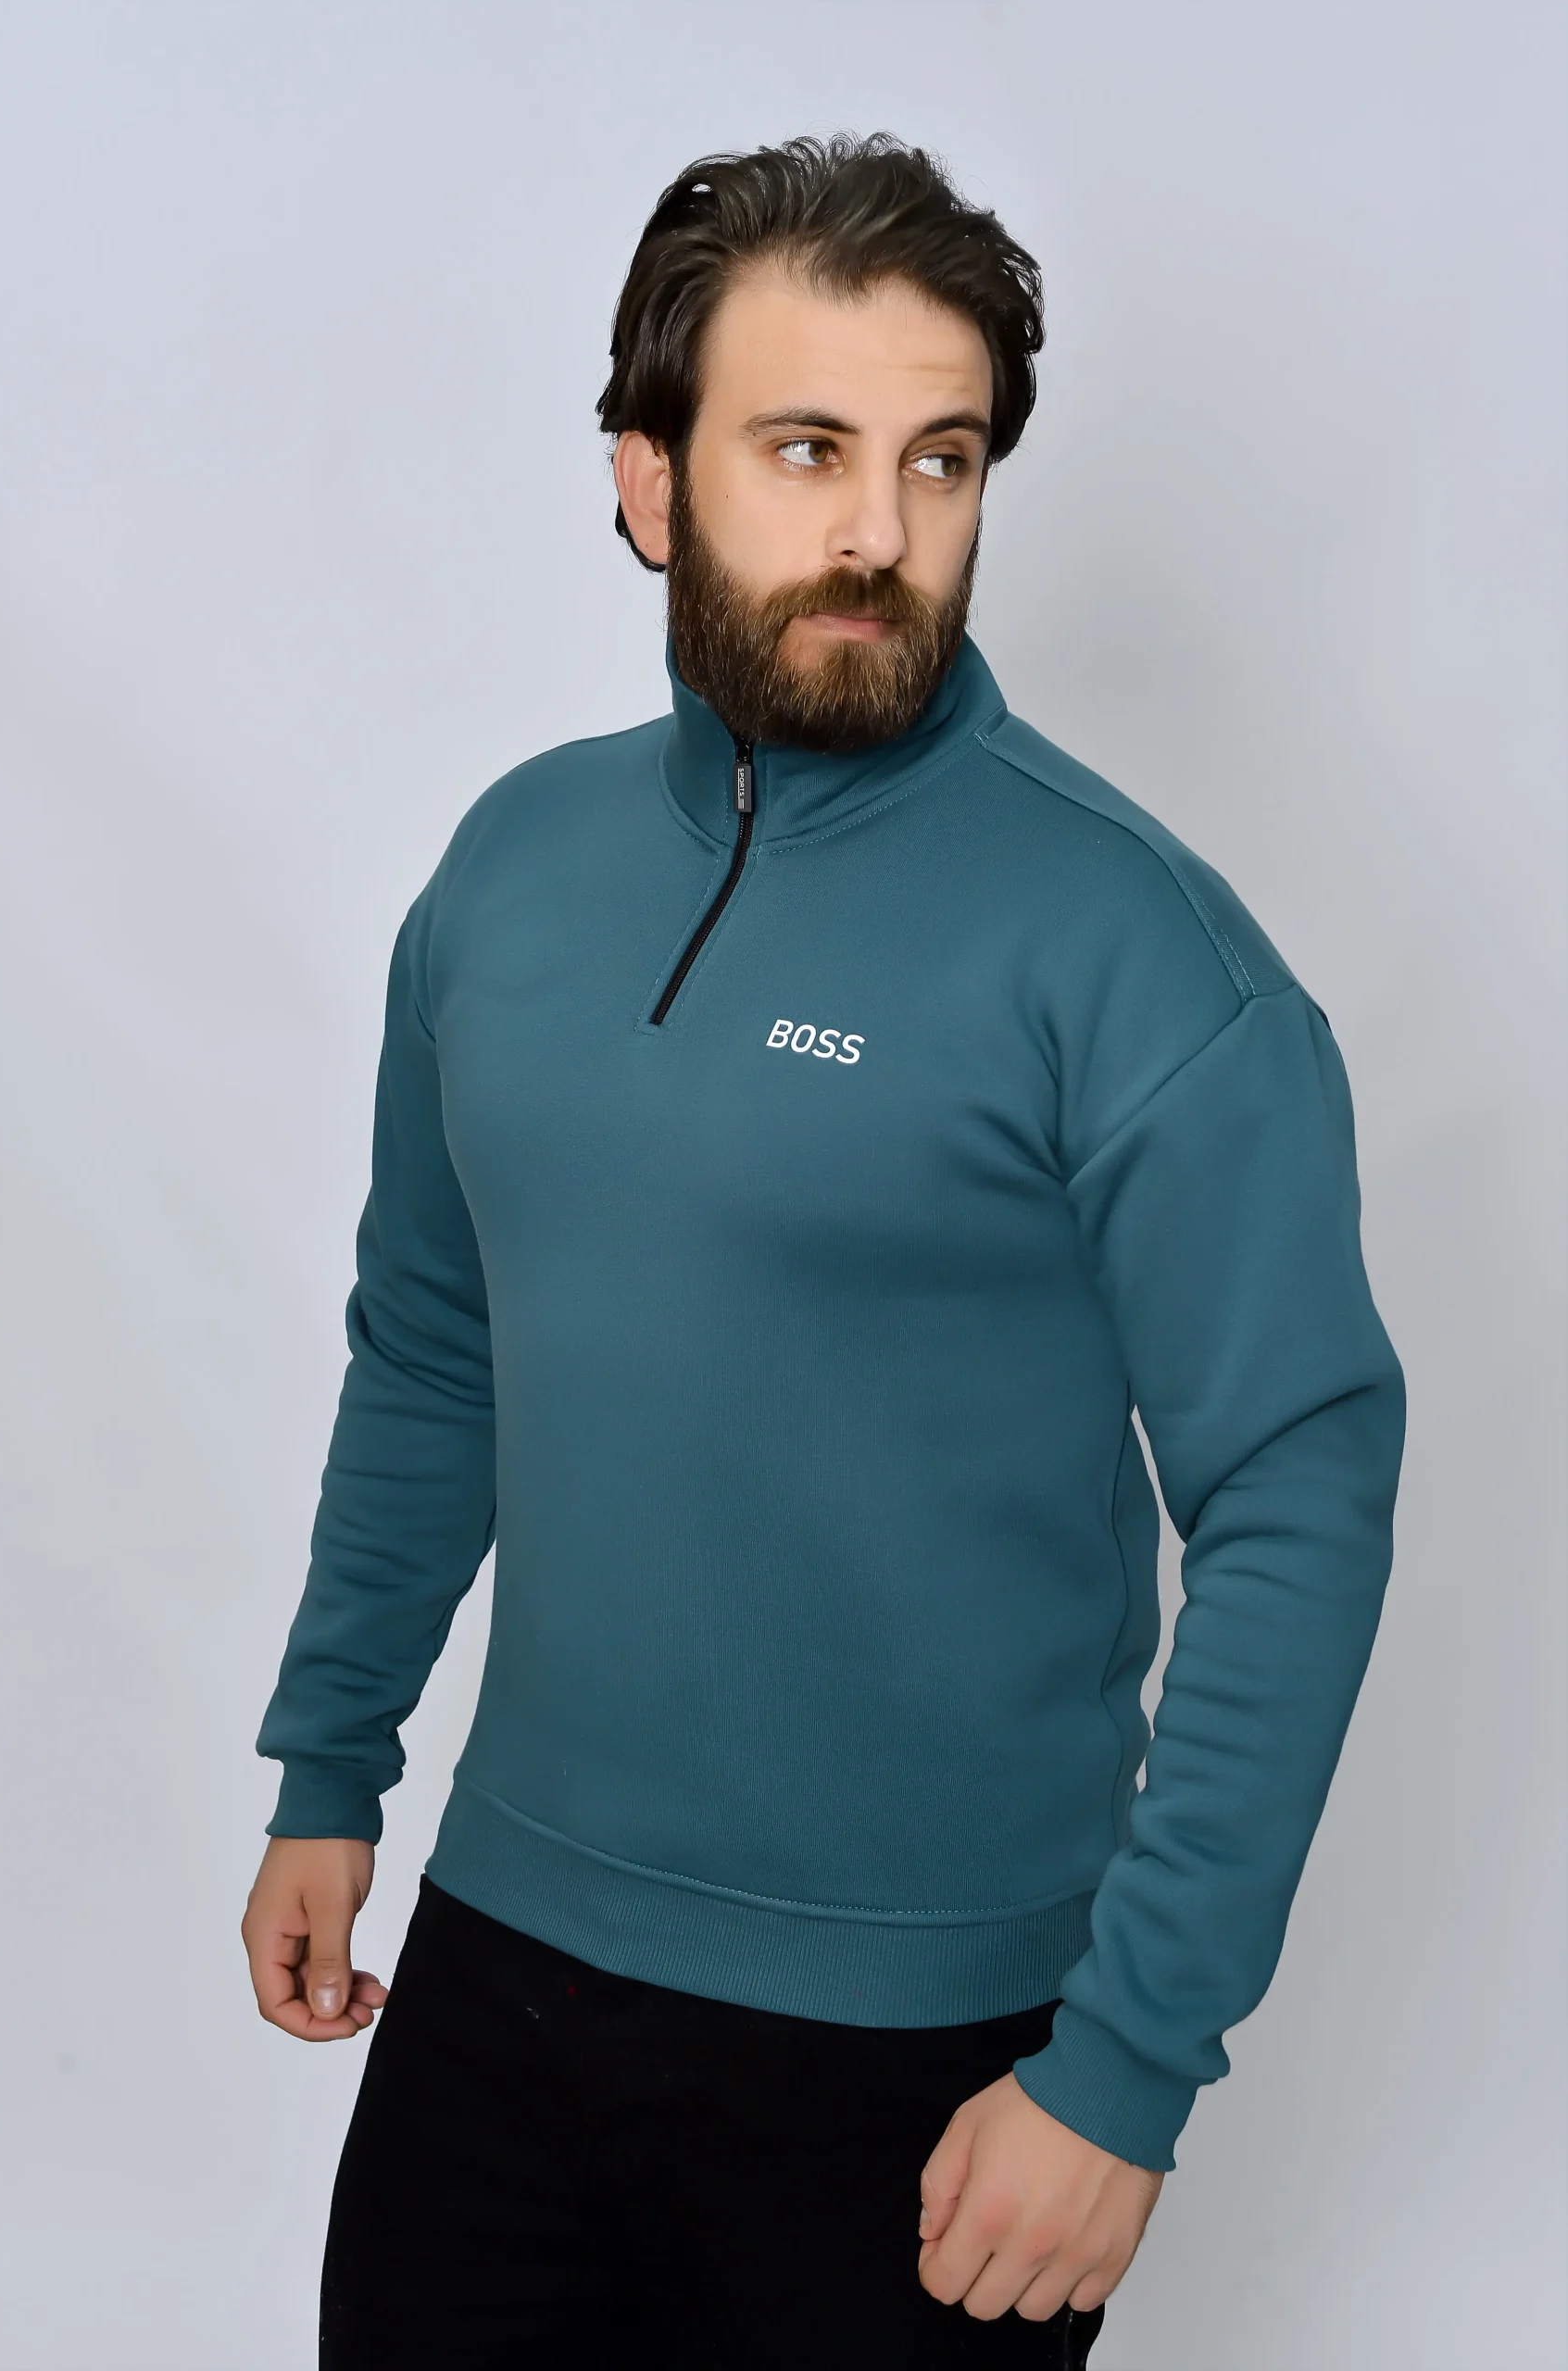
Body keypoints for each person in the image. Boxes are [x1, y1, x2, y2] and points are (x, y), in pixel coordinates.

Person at [242, 132, 1405, 2368]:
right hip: (498, 1969)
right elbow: (436, 1342)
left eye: (937, 460)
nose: (880, 529)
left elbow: (1297, 1488)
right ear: (646, 483)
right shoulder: (508, 870)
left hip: (928, 2051)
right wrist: (331, 1762)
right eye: (804, 450)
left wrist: (1123, 2065)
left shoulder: (1140, 957)